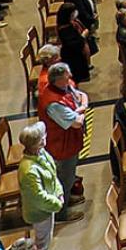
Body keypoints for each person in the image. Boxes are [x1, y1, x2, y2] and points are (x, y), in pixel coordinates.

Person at [39, 61, 88, 218]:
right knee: (64, 179)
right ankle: (61, 214)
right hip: (61, 146)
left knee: (70, 174)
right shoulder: (53, 103)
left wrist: (79, 108)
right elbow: (76, 123)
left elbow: (82, 96)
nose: (70, 79)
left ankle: (66, 200)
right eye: (67, 78)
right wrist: (81, 110)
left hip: (70, 142)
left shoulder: (63, 87)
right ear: (57, 80)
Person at [15, 123, 65, 250]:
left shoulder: (41, 153)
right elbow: (38, 198)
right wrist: (57, 203)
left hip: (48, 207)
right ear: (36, 142)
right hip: (39, 212)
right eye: (42, 137)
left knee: (46, 240)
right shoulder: (29, 170)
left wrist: (59, 191)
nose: (45, 138)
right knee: (41, 245)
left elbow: (52, 173)